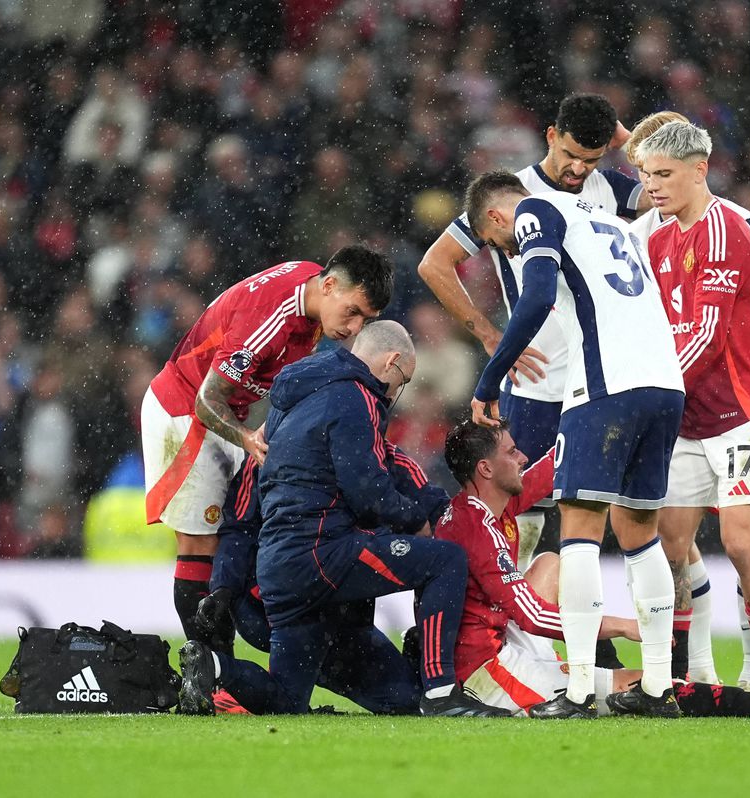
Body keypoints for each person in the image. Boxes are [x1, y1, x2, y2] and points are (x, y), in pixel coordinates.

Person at [177, 321, 510, 717]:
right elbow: (372, 491)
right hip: (323, 560)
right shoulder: (359, 402)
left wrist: (223, 590)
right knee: (444, 561)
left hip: (281, 580)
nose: (395, 393)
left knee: (289, 702)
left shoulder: (278, 423)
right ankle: (442, 693)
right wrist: (417, 519)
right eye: (401, 381)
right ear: (392, 362)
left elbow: (240, 521)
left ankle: (215, 667)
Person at [466, 170, 685, 718]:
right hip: (664, 383)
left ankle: (582, 690)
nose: (508, 251)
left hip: (605, 385)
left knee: (580, 535)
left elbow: (536, 296)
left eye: (500, 246)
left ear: (498, 217)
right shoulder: (607, 217)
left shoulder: (535, 211)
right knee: (639, 532)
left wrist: (490, 379)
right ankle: (659, 685)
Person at [437, 419, 750, 719]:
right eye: (511, 452)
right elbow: (534, 616)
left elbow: (543, 475)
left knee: (550, 563)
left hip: (500, 640)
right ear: (485, 470)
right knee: (640, 685)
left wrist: (599, 423)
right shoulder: (479, 528)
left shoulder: (483, 507)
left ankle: (590, 670)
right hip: (489, 670)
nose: (521, 457)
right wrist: (627, 626)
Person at [418, 93, 645, 570]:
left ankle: (584, 637)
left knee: (599, 516)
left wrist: (630, 143)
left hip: (602, 380)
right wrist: (487, 334)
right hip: (539, 384)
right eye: (570, 156)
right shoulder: (513, 195)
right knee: (523, 516)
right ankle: (510, 633)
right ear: (550, 136)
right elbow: (435, 263)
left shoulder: (609, 187)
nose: (578, 170)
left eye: (591, 159)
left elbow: (672, 187)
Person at [626, 112, 750, 688]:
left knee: (740, 543)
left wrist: (644, 396)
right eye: (648, 174)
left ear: (700, 171)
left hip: (741, 416)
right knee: (671, 546)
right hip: (686, 420)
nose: (652, 186)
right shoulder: (655, 232)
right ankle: (681, 675)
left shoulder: (731, 230)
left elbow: (705, 335)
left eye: (665, 174)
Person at [141, 246, 392, 641]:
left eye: (366, 319)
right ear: (328, 285)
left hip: (228, 418)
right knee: (199, 550)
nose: (356, 327)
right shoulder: (268, 320)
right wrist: (248, 440)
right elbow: (207, 400)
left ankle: (224, 679)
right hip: (185, 414)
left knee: (234, 538)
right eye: (353, 312)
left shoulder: (313, 291)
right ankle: (211, 678)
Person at [191, 443, 450, 716]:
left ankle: (226, 673)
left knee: (407, 701)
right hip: (282, 604)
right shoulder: (267, 450)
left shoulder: (383, 455)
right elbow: (239, 530)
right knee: (289, 700)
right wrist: (224, 586)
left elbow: (440, 510)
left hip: (338, 610)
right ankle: (228, 676)